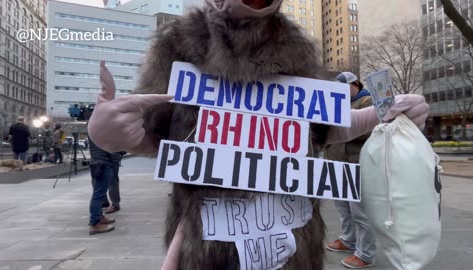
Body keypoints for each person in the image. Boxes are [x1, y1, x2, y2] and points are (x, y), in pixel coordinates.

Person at [86, 0, 430, 268]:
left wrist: (385, 114)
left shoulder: (297, 48)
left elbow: (322, 130)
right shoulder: (179, 42)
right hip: (210, 246)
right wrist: (116, 134)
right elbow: (159, 134)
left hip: (293, 243)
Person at [325, 72, 377, 269]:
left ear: (355, 84)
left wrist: (338, 132)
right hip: (338, 162)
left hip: (357, 162)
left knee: (360, 211)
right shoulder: (339, 103)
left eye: (344, 87)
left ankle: (366, 253)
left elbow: (372, 129)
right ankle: (348, 240)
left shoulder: (367, 101)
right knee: (343, 208)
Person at [88, 134, 121, 235]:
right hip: (103, 163)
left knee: (99, 193)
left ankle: (99, 217)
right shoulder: (101, 129)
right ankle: (94, 223)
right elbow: (111, 147)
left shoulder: (95, 127)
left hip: (101, 162)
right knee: (98, 195)